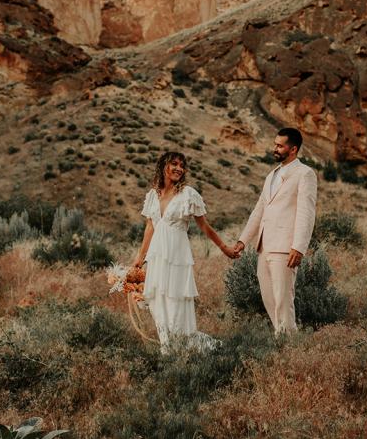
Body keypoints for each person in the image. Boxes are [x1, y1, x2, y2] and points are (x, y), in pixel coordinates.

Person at [133, 151, 237, 348]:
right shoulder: (152, 196)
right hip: (157, 257)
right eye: (174, 164)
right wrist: (140, 258)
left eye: (182, 165)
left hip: (178, 256)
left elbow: (204, 226)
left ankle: (189, 347)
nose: (179, 168)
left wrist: (224, 248)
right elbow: (150, 227)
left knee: (176, 302)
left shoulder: (188, 194)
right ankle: (168, 349)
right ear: (163, 166)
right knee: (157, 302)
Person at [234, 127, 317, 334]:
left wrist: (298, 247)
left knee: (283, 299)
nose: (275, 149)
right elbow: (259, 210)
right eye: (275, 144)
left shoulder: (305, 173)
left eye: (280, 145)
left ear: (293, 149)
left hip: (285, 247)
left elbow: (306, 213)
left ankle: (290, 344)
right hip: (264, 246)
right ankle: (282, 338)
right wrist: (243, 240)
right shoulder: (271, 175)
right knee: (269, 298)